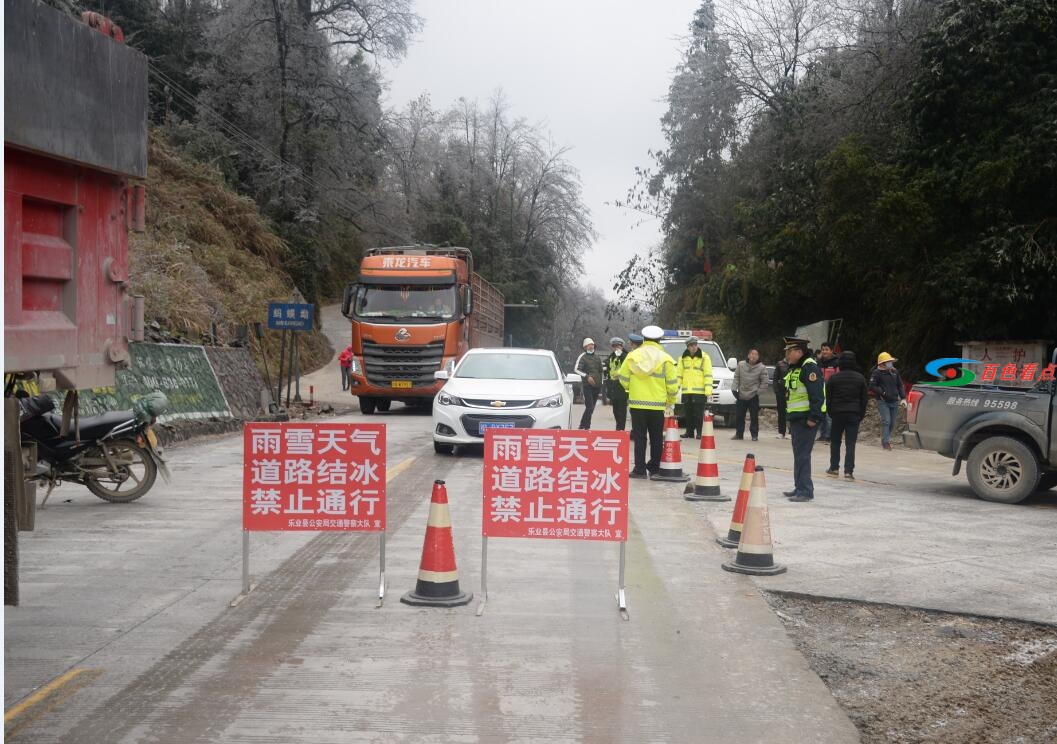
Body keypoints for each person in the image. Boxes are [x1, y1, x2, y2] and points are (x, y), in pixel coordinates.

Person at [617, 325, 679, 478]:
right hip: (657, 405)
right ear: (659, 340)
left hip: (637, 404)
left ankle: (639, 469)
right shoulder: (666, 359)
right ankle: (654, 467)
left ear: (644, 339)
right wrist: (669, 401)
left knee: (639, 437)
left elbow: (623, 378)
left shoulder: (632, 356)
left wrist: (631, 389)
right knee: (656, 437)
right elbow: (672, 385)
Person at [781, 336, 826, 502]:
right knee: (798, 454)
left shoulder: (809, 368)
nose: (787, 354)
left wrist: (814, 418)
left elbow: (817, 395)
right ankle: (799, 486)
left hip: (806, 419)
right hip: (797, 419)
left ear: (799, 352)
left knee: (803, 455)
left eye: (789, 351)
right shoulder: (796, 368)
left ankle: (805, 491)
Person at [825, 351, 868, 480]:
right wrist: (860, 414)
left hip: (837, 413)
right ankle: (848, 471)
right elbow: (864, 399)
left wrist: (830, 412)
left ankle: (834, 467)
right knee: (851, 443)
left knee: (835, 441)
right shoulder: (860, 378)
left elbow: (829, 397)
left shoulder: (834, 378)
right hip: (854, 413)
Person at [870, 352, 906, 450]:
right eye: (888, 362)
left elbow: (900, 385)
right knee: (887, 421)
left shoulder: (894, 371)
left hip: (894, 401)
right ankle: (885, 442)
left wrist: (903, 398)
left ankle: (886, 439)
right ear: (882, 363)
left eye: (891, 361)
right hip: (882, 401)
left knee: (892, 423)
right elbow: (872, 386)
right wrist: (883, 393)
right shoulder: (876, 373)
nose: (890, 363)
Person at [678, 337, 713, 438]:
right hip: (687, 390)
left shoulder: (705, 357)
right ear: (688, 347)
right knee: (688, 413)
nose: (694, 347)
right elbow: (679, 374)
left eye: (695, 345)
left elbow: (708, 374)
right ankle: (689, 432)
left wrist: (708, 389)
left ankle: (699, 432)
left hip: (699, 391)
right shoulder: (682, 358)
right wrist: (676, 388)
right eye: (691, 346)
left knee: (698, 414)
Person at [731, 349, 768, 441]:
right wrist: (734, 389)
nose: (753, 356)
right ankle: (739, 434)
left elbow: (764, 382)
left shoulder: (762, 367)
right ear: (748, 355)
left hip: (753, 396)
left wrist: (758, 392)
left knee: (754, 417)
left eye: (756, 354)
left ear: (758, 357)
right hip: (741, 394)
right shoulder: (741, 364)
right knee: (739, 416)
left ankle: (754, 435)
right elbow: (736, 377)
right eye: (752, 354)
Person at [574, 337, 604, 430]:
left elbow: (601, 371)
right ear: (585, 347)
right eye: (589, 345)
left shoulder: (597, 357)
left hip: (597, 386)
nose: (591, 346)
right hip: (587, 386)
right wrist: (587, 377)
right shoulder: (582, 357)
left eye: (592, 345)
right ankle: (586, 426)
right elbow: (576, 369)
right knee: (589, 406)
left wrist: (601, 383)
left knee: (591, 408)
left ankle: (583, 425)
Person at [604, 337, 629, 431]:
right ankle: (618, 427)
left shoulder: (626, 356)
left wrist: (621, 355)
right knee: (615, 411)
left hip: (622, 386)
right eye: (614, 346)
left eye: (618, 346)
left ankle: (620, 429)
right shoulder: (611, 357)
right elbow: (607, 369)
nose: (616, 348)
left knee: (621, 410)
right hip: (613, 387)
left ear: (622, 346)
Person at [816, 342, 839, 442]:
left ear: (831, 351)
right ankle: (823, 435)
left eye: (826, 349)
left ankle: (829, 436)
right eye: (823, 349)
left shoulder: (836, 362)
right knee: (821, 414)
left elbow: (838, 377)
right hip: (820, 392)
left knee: (829, 415)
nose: (824, 351)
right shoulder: (818, 362)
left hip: (831, 392)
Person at [773, 358, 790, 438]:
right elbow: (775, 378)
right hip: (781, 392)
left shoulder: (796, 364)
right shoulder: (780, 364)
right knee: (781, 412)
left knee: (791, 412)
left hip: (791, 392)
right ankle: (781, 432)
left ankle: (791, 432)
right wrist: (776, 390)